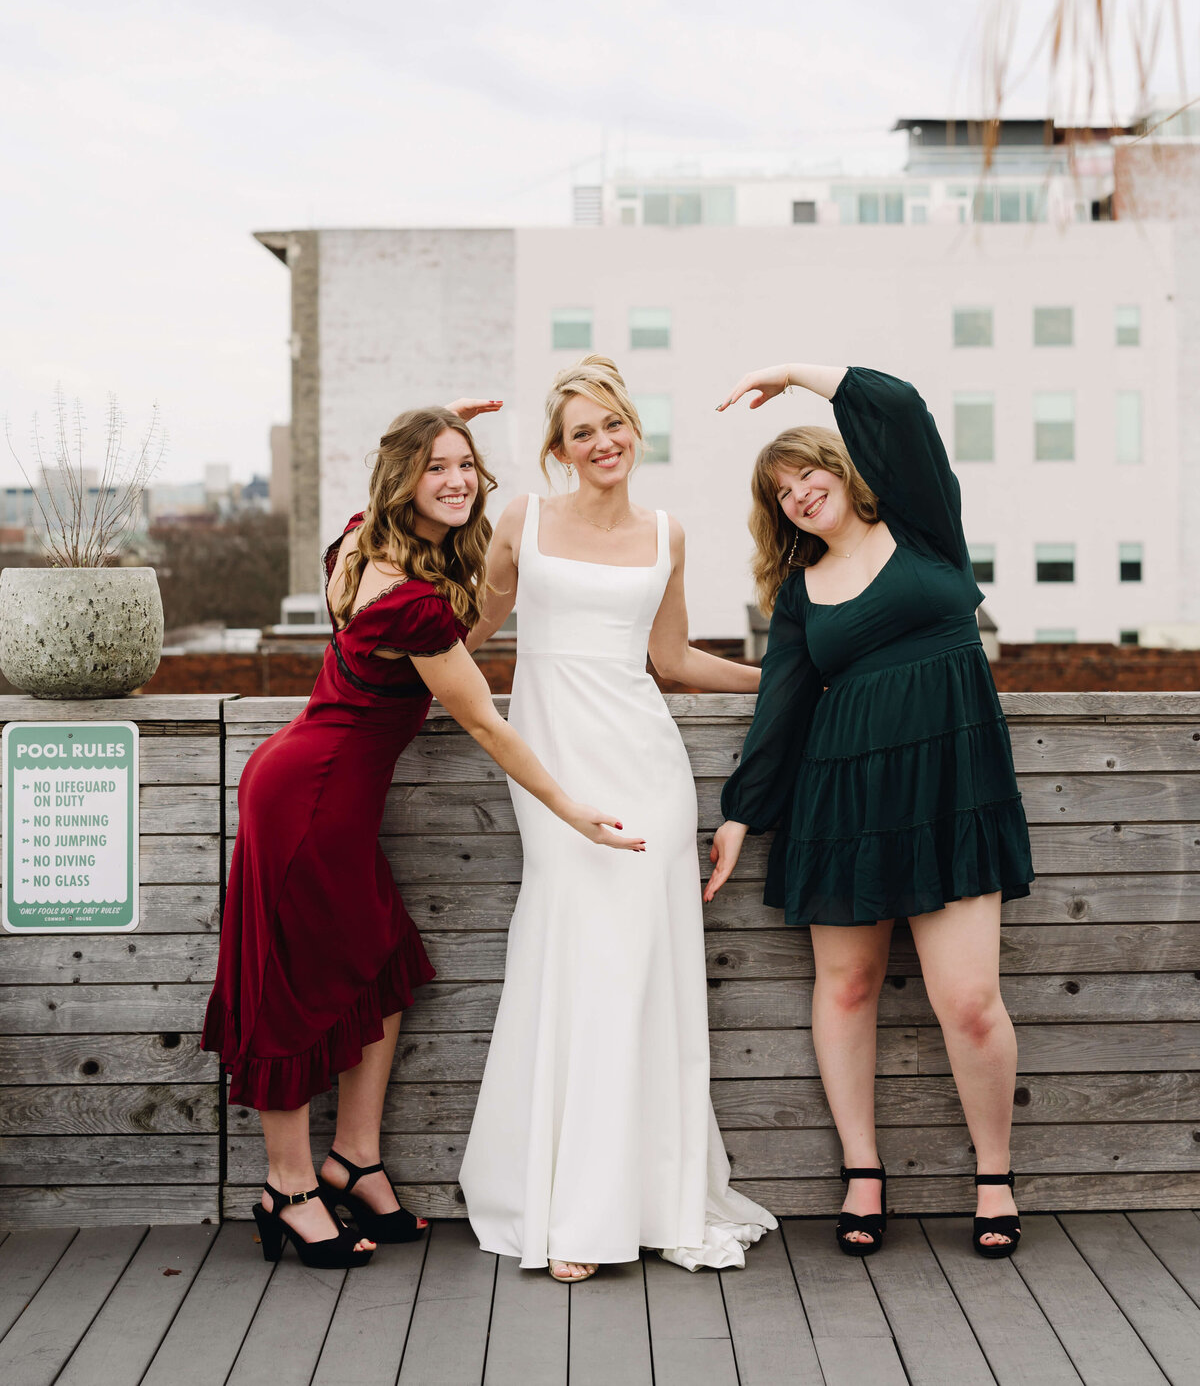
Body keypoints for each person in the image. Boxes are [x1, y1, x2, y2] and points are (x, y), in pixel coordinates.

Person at [202, 399, 643, 1271]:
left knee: (383, 969)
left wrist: (440, 415)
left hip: (308, 787)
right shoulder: (409, 604)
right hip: (311, 802)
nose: (456, 481)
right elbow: (483, 720)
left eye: (466, 466)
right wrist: (570, 807)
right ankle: (287, 1191)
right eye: (436, 466)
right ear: (404, 480)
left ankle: (353, 1158)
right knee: (290, 994)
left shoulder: (357, 551)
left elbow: (434, 614)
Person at [458, 356, 776, 1282]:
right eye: (580, 433)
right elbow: (462, 633)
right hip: (551, 760)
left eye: (613, 425)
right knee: (575, 954)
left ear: (634, 428)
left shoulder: (666, 532)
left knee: (639, 970)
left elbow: (673, 660)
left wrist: (784, 682)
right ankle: (569, 1204)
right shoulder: (523, 521)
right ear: (559, 451)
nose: (602, 443)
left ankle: (637, 1201)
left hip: (645, 764)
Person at [708, 363, 1033, 1259]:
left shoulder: (925, 530)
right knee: (846, 987)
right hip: (843, 798)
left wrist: (798, 375)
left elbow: (903, 413)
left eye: (807, 472)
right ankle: (862, 1170)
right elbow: (780, 706)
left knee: (968, 1001)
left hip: (952, 789)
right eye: (780, 493)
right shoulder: (800, 594)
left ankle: (995, 1176)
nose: (799, 493)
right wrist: (741, 815)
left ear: (841, 468)